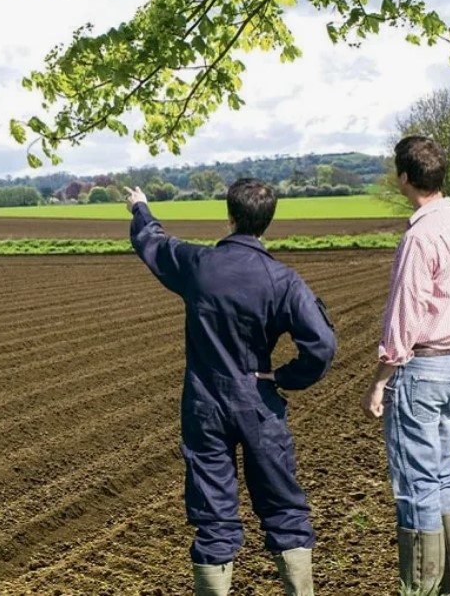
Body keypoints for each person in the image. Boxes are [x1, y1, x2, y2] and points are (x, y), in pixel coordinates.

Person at [126, 178, 337, 596]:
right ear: (268, 222)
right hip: (258, 404)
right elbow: (322, 345)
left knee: (213, 517)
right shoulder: (283, 280)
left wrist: (140, 208)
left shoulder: (199, 265)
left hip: (204, 406)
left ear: (230, 215)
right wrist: (285, 377)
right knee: (284, 509)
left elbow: (154, 243)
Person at [361, 136, 450, 596]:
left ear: (405, 179)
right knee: (441, 472)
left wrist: (380, 380)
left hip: (422, 369)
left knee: (415, 483)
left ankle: (419, 590)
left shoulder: (420, 236)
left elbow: (404, 316)